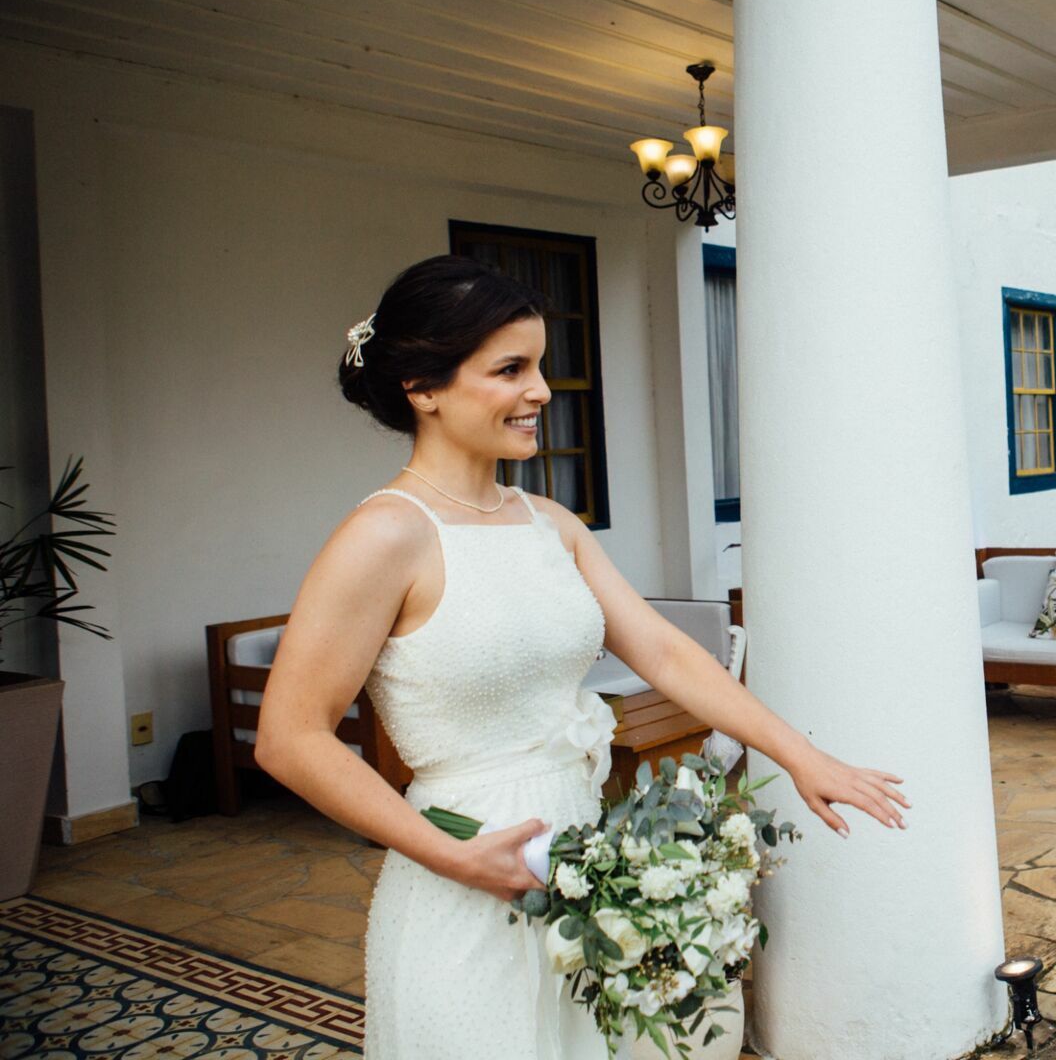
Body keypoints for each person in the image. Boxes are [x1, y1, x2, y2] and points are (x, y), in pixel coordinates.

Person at [256, 255, 908, 1059]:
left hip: (581, 865)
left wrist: (799, 754)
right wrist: (453, 856)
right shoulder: (384, 535)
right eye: (511, 370)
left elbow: (664, 650)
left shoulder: (550, 524)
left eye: (540, 366)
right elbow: (290, 737)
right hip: (463, 873)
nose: (542, 391)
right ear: (423, 388)